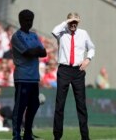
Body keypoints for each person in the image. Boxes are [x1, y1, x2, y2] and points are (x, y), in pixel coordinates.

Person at [52, 12, 95, 140]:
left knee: (81, 105)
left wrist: (88, 59)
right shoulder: (62, 32)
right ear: (67, 22)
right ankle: (57, 136)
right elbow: (53, 31)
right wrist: (67, 21)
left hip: (78, 71)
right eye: (72, 21)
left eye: (76, 22)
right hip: (64, 70)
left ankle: (85, 137)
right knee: (60, 105)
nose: (74, 24)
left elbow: (92, 48)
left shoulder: (83, 33)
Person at [11, 9, 47, 140]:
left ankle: (27, 133)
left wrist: (35, 51)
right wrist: (36, 50)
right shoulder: (17, 36)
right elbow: (28, 52)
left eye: (31, 20)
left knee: (33, 106)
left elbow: (44, 53)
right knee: (20, 107)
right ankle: (16, 134)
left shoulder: (34, 35)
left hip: (34, 78)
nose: (29, 22)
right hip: (22, 76)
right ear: (20, 20)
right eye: (26, 20)